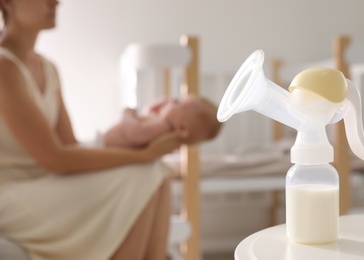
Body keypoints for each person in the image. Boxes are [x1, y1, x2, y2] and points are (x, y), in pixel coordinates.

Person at [0, 1, 183, 260]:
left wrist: (138, 147)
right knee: (146, 172)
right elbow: (55, 159)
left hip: (44, 185)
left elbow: (69, 146)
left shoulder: (48, 68)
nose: (55, 2)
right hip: (11, 195)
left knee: (157, 173)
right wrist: (144, 155)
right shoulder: (4, 67)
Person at [103, 95, 222, 148]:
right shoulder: (160, 125)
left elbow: (134, 132)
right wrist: (151, 110)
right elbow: (143, 122)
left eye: (177, 103)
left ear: (183, 128)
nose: (171, 101)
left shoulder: (163, 126)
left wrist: (127, 113)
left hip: (102, 146)